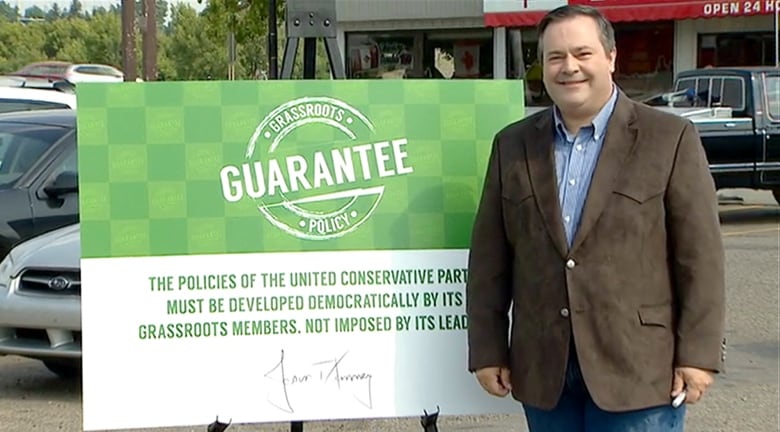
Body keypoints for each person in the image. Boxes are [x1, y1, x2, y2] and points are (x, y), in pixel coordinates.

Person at [465, 5, 726, 432]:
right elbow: (489, 261)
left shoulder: (670, 139)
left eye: (583, 54)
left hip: (638, 373)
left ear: (611, 58)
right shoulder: (512, 146)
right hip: (544, 373)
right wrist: (488, 348)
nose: (570, 67)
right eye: (555, 57)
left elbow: (700, 259)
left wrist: (698, 354)